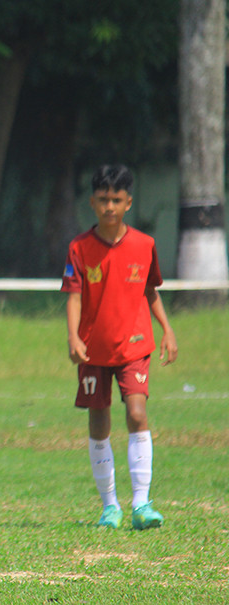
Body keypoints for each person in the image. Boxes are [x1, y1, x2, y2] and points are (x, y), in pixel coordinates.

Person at [61, 164, 178, 530]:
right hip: (94, 348)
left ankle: (142, 503)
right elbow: (74, 296)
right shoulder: (79, 247)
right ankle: (110, 506)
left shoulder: (145, 245)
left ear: (128, 202)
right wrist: (73, 336)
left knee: (137, 413)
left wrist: (167, 329)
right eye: (102, 199)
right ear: (92, 203)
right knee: (99, 420)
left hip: (134, 344)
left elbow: (150, 290)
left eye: (116, 199)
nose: (109, 206)